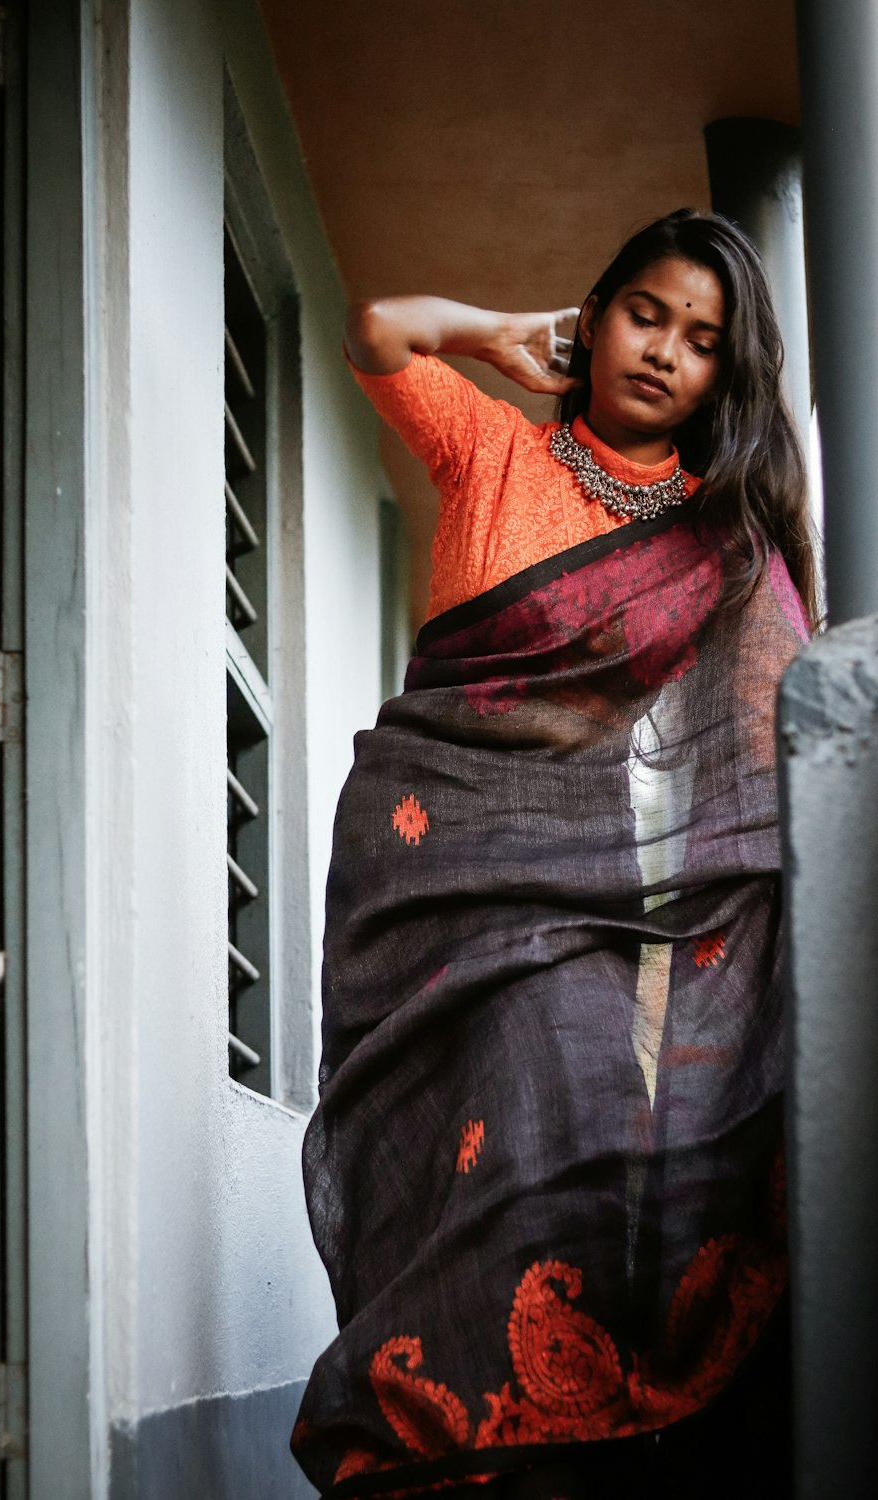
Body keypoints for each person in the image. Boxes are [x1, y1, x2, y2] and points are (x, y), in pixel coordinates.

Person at [291, 210, 816, 1500]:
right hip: (443, 891)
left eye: (703, 343)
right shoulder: (490, 450)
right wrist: (499, 334)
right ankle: (462, 1440)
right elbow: (374, 333)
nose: (665, 355)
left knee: (594, 1127)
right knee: (477, 1148)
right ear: (598, 317)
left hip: (620, 912)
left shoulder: (721, 541)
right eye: (646, 314)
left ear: (723, 377)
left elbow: (771, 744)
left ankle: (589, 1440)